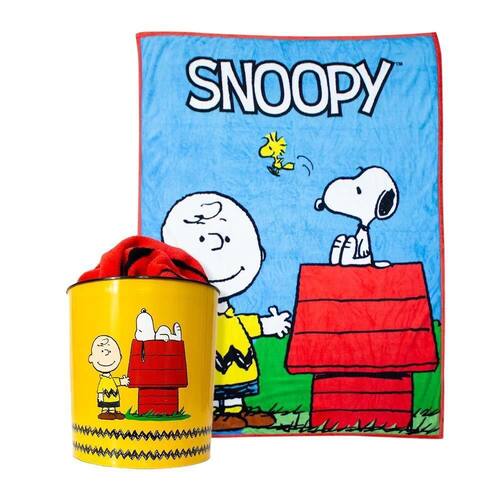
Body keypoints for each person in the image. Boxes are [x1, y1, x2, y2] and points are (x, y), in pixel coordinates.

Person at [162, 192, 291, 431]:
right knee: (210, 380)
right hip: (211, 361)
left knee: (234, 388)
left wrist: (270, 324)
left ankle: (235, 410)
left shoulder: (232, 318)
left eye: (227, 239)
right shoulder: (195, 317)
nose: (215, 245)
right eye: (202, 239)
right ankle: (212, 411)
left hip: (238, 367)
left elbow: (247, 324)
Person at [88, 335, 130, 420]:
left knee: (112, 405)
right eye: (102, 351)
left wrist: (122, 381)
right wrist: (100, 396)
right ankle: (105, 413)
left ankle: (112, 412)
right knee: (105, 406)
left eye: (110, 351)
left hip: (113, 396)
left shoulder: (111, 379)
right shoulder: (103, 380)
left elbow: (115, 381)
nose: (106, 353)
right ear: (91, 358)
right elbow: (100, 389)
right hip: (106, 397)